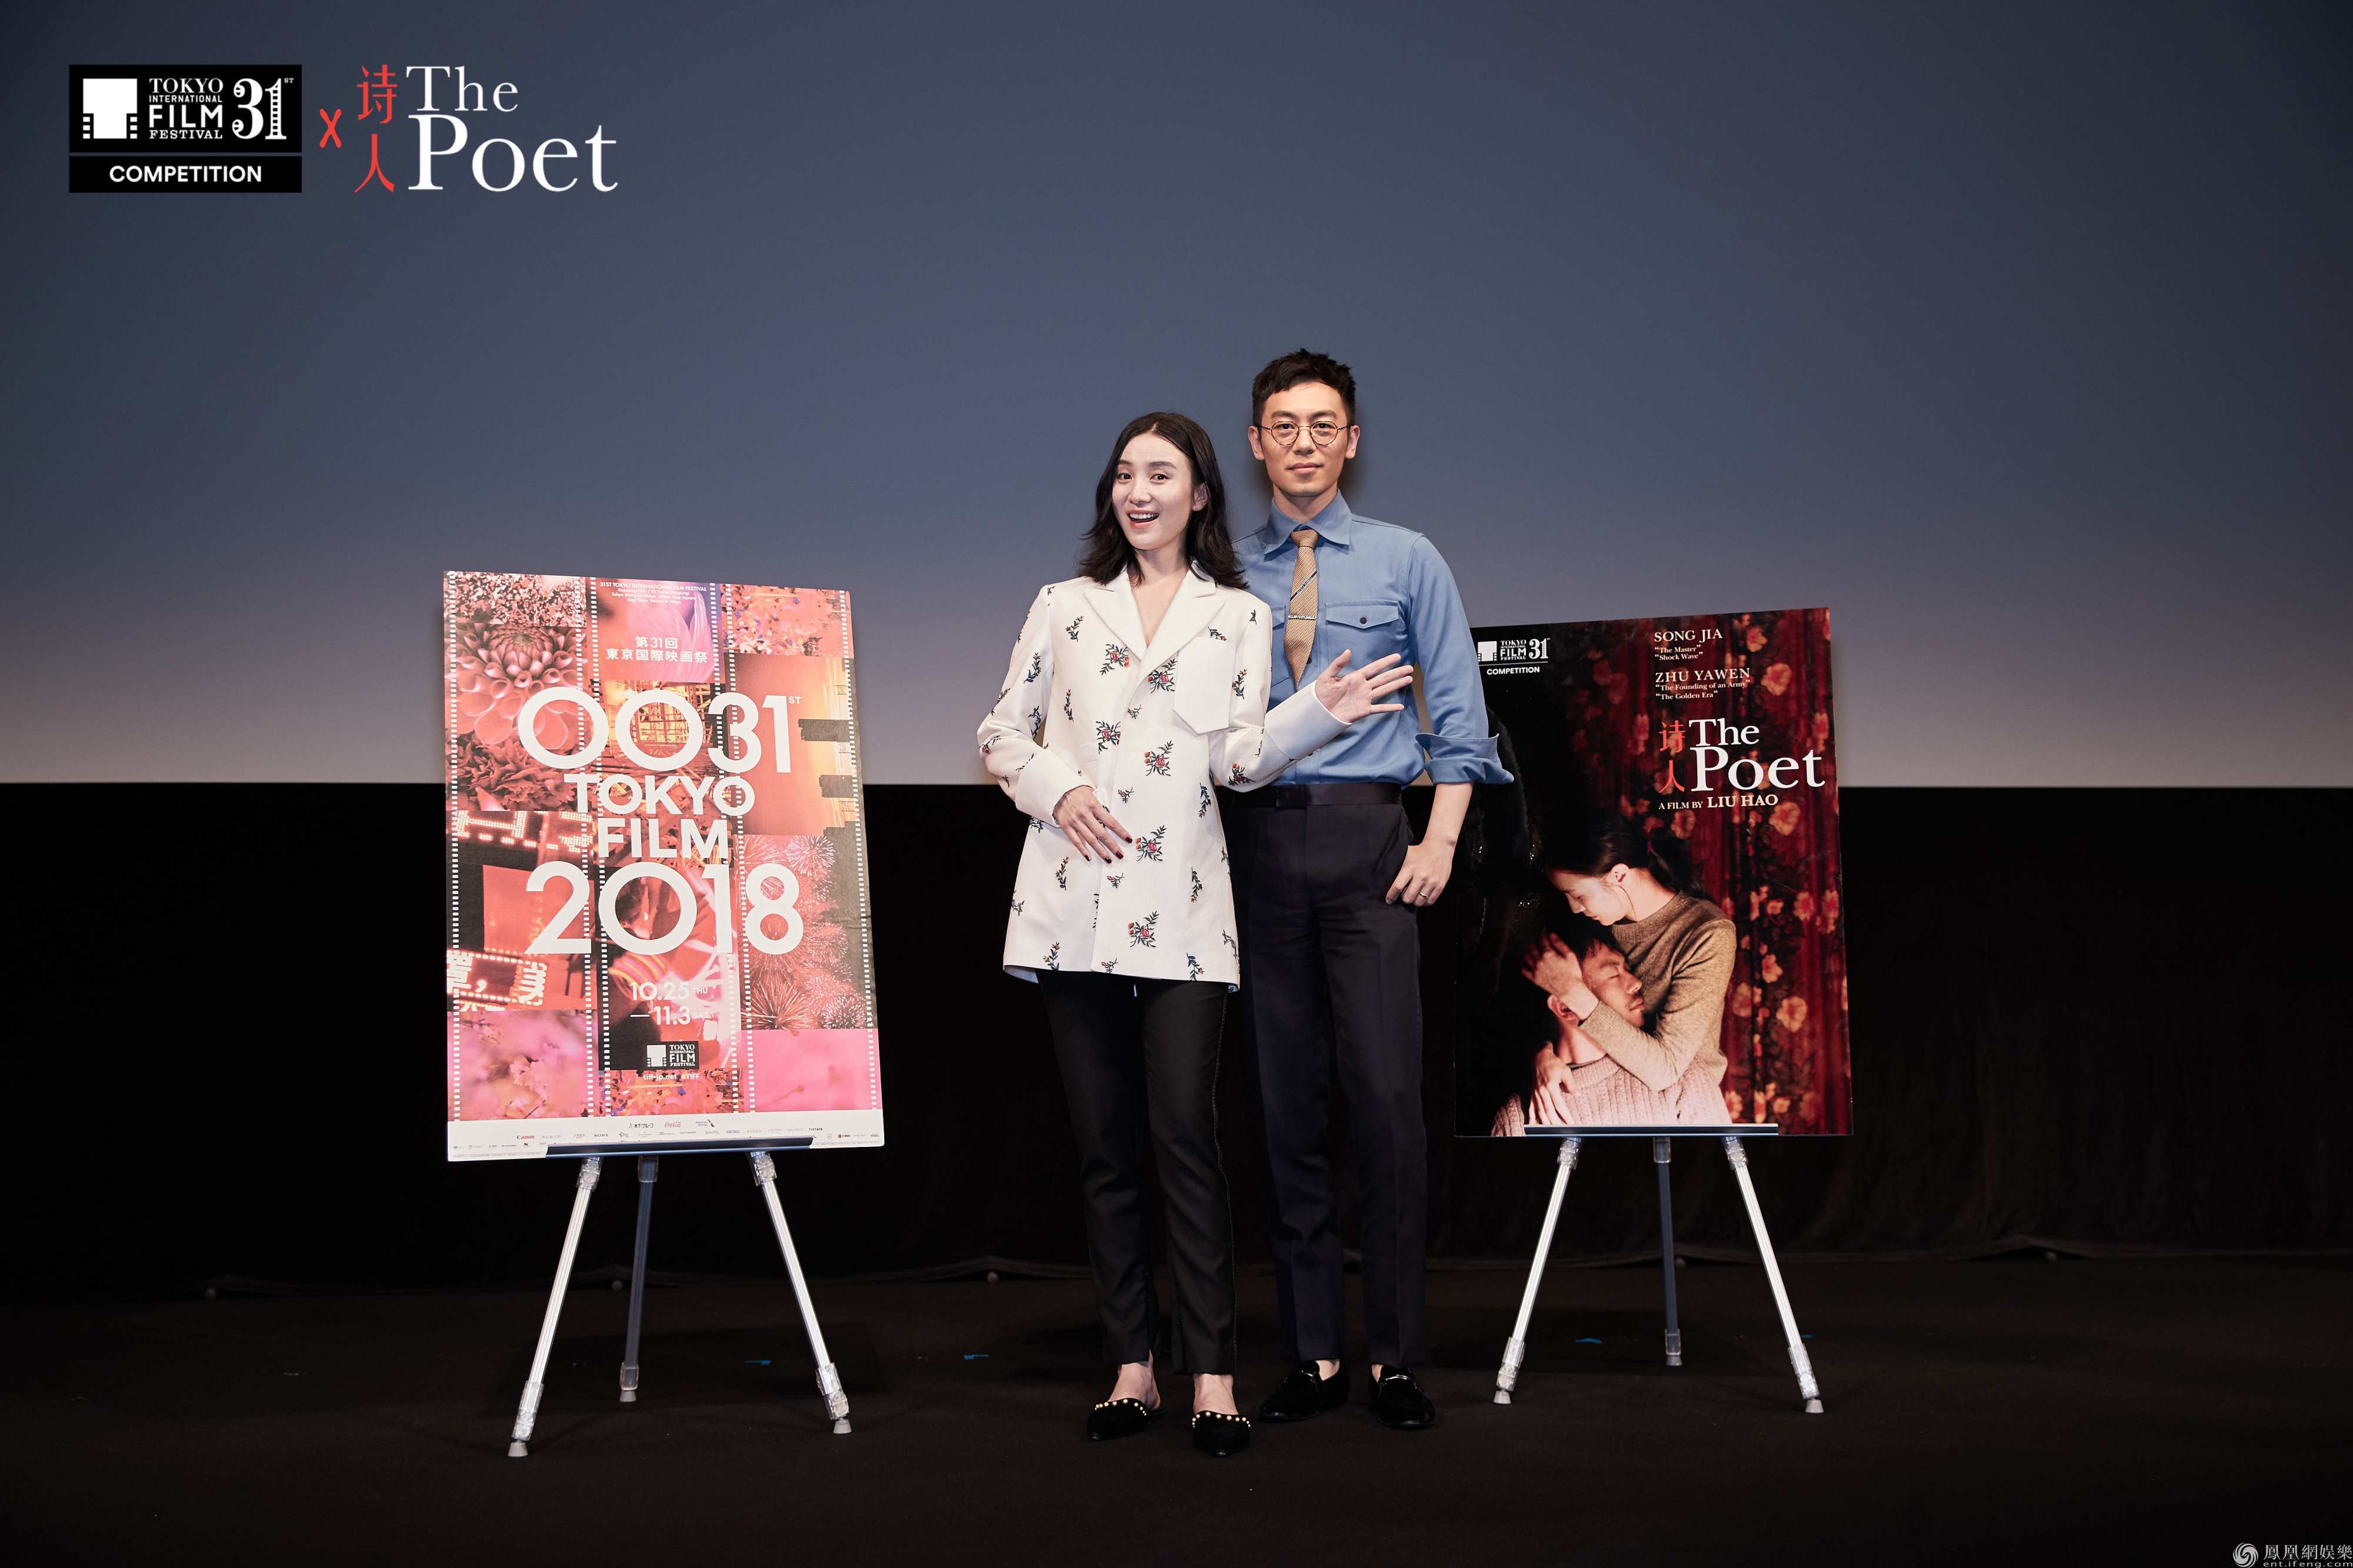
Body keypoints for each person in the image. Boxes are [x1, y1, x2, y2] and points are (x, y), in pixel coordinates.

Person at [977, 411, 1415, 1458]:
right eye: (1125, 474)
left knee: (1185, 1136)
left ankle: (1212, 1372)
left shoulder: (1237, 615)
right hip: (1076, 904)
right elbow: (1000, 730)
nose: (1139, 491)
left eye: (1161, 474)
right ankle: (1133, 1365)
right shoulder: (1064, 605)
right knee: (1105, 1149)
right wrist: (1058, 785)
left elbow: (1238, 760)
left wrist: (1319, 711)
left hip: (1180, 909)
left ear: (1201, 494)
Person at [1224, 349, 1511, 1432]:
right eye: (1283, 425)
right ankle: (1315, 1354)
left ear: (1352, 441)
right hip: (1256, 848)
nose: (1302, 442)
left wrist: (1439, 839)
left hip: (1373, 848)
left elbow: (1460, 715)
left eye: (1322, 424)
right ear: (1255, 444)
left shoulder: (1408, 557)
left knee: (1388, 1105)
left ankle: (1394, 1357)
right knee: (1284, 1106)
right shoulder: (1220, 573)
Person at [1529, 810, 1737, 1119]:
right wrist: (1542, 1052)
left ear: (1619, 875)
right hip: (1597, 1092)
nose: (1574, 908)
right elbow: (1541, 996)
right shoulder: (1595, 922)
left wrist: (1573, 992)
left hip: (1679, 1107)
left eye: (1578, 895)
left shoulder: (1707, 934)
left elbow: (1666, 1068)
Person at [1493, 914, 1717, 1131]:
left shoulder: (1680, 1076)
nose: (1636, 983)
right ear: (1564, 1007)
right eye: (1613, 975)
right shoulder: (1517, 1118)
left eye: (1627, 969)